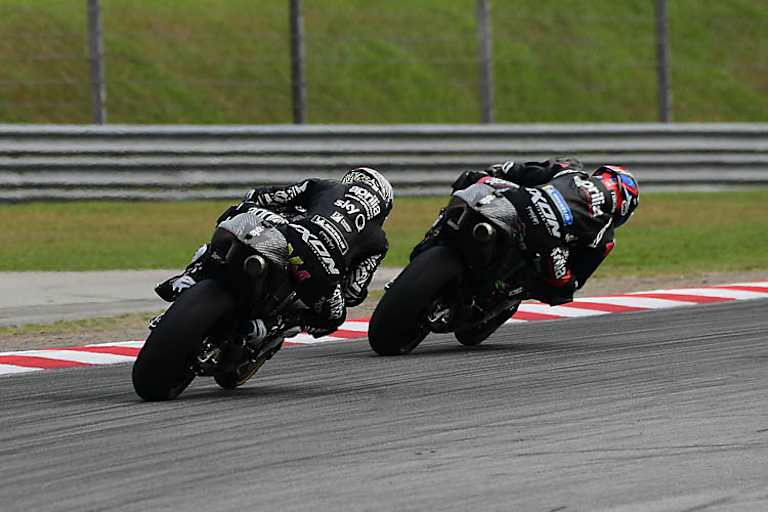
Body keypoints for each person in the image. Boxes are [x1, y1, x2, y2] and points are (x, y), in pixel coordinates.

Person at [154, 167, 393, 343]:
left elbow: (265, 197)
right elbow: (353, 292)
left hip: (286, 236)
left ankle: (191, 275)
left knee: (239, 212)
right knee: (334, 317)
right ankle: (268, 326)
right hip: (319, 270)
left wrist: (262, 210)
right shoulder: (378, 239)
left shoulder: (326, 186)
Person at [448, 158, 639, 306]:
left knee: (471, 180)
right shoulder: (606, 233)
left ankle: (444, 228)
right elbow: (578, 278)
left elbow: (516, 170)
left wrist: (488, 174)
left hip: (520, 201)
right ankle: (503, 290)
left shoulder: (571, 172)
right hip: (549, 240)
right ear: (624, 207)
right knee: (562, 290)